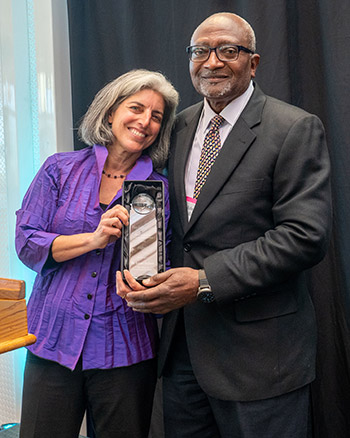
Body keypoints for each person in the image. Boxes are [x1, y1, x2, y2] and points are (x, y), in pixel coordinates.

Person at [117, 13, 332, 438]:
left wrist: (202, 280)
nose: (211, 61)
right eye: (200, 51)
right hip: (181, 354)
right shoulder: (175, 128)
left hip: (260, 360)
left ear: (252, 63)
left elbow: (304, 237)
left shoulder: (292, 128)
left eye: (227, 50)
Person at [15, 69, 178, 438]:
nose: (145, 122)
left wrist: (148, 288)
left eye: (156, 116)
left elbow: (163, 263)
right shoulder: (60, 169)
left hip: (125, 348)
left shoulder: (160, 190)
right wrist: (93, 238)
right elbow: (26, 243)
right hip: (51, 342)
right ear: (110, 113)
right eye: (136, 108)